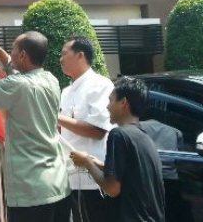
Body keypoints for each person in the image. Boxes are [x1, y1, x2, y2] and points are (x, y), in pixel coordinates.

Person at [0, 32, 71, 222]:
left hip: (30, 188)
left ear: (22, 55)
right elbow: (18, 73)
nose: (11, 53)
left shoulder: (18, 85)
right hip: (58, 182)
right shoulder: (50, 79)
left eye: (13, 49)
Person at [70, 77, 165, 222]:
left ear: (123, 103)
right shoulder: (143, 136)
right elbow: (131, 175)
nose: (107, 107)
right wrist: (100, 165)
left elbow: (112, 189)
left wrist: (87, 163)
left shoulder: (118, 134)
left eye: (110, 100)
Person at [58, 36, 113, 222]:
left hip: (94, 180)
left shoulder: (100, 85)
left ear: (80, 55)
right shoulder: (66, 91)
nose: (60, 59)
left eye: (64, 54)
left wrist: (53, 116)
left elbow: (98, 130)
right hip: (70, 177)